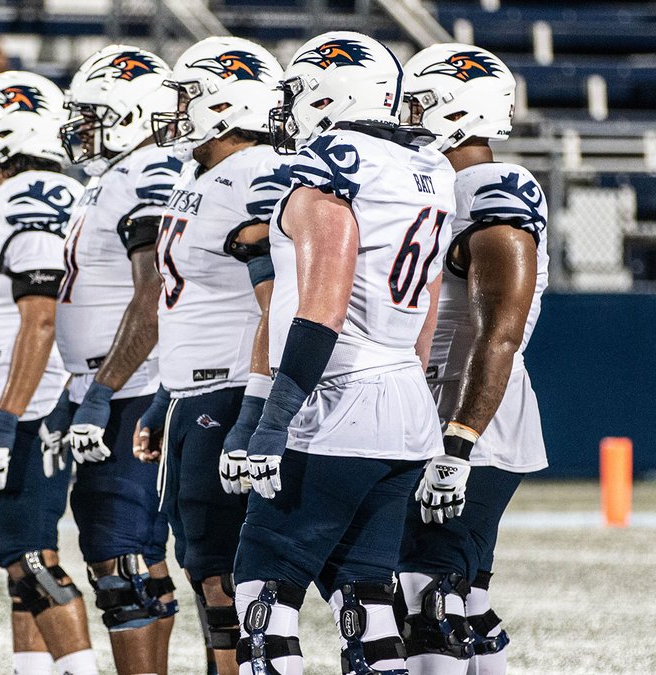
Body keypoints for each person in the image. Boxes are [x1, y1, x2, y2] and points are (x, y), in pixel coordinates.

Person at [232, 31, 456, 675]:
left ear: (333, 94)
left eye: (301, 91)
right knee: (366, 594)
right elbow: (428, 304)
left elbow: (321, 307)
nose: (290, 107)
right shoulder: (427, 167)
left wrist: (273, 420)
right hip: (404, 400)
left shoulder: (336, 163)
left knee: (264, 588)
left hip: (336, 400)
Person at [132, 36, 288, 675]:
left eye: (188, 94)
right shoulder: (206, 174)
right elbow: (191, 301)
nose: (177, 108)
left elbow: (279, 300)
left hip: (227, 392)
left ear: (228, 103)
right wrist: (166, 394)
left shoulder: (254, 172)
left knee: (225, 575)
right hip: (196, 391)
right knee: (208, 571)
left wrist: (253, 408)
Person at [396, 45, 550, 675]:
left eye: (419, 102)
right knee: (466, 600)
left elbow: (500, 334)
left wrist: (457, 446)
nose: (406, 114)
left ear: (459, 109)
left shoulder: (492, 186)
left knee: (425, 596)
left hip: (468, 420)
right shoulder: (436, 186)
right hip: (446, 409)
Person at [0, 77, 98, 675]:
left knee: (32, 559)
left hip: (32, 401)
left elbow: (39, 321)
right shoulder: (53, 191)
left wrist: (5, 422)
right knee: (22, 561)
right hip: (24, 397)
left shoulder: (29, 196)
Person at [43, 44, 183, 675]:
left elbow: (154, 295)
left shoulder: (147, 173)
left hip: (133, 389)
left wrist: (101, 390)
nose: (83, 126)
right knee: (138, 559)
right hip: (119, 384)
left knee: (120, 558)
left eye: (96, 112)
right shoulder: (115, 176)